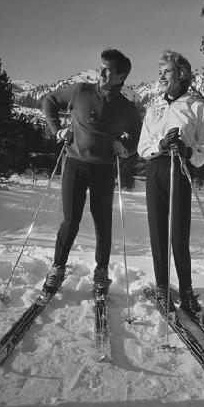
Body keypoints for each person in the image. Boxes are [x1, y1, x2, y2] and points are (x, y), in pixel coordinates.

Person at [42, 48, 142, 294]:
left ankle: (101, 272)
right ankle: (57, 268)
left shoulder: (128, 108)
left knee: (103, 222)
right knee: (70, 221)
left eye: (108, 70)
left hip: (105, 171)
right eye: (102, 67)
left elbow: (141, 138)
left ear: (121, 77)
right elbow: (49, 102)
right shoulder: (80, 91)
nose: (101, 72)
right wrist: (58, 130)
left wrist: (126, 148)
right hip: (75, 165)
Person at [138, 50, 204, 314]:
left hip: (180, 170)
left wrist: (187, 151)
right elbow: (142, 146)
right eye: (160, 71)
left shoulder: (197, 107)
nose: (161, 76)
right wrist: (160, 144)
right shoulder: (154, 107)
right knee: (158, 234)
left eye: (166, 71)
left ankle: (186, 290)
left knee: (179, 236)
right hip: (156, 170)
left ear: (181, 74)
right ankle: (162, 288)